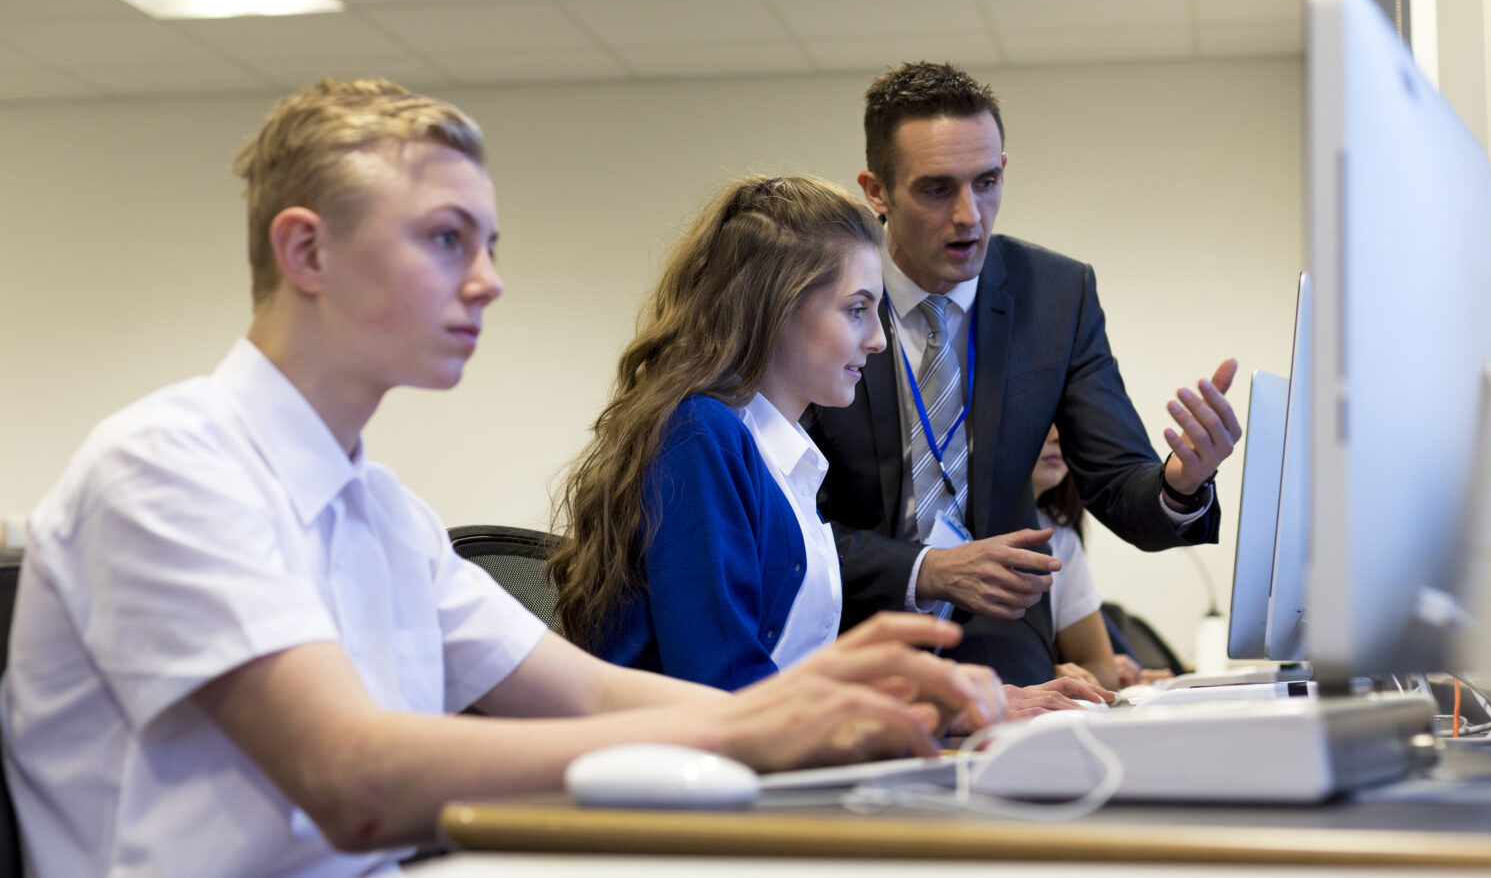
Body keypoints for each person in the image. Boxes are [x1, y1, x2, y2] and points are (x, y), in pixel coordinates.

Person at [0, 80, 1003, 878]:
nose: (488, 279)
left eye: (490, 245)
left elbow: (589, 697)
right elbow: (351, 780)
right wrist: (762, 725)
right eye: (446, 239)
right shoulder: (168, 465)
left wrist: (828, 705)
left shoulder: (384, 511)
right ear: (305, 249)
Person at [809, 61, 1242, 698]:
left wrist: (1182, 484)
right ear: (876, 191)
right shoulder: (823, 293)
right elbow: (789, 527)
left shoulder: (1056, 294)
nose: (970, 215)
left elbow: (1120, 484)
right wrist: (927, 569)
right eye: (937, 190)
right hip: (851, 629)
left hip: (1001, 636)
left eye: (986, 182)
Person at [548, 176, 886, 689]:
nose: (879, 339)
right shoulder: (700, 434)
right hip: (687, 763)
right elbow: (722, 682)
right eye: (857, 309)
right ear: (777, 307)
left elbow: (776, 682)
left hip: (753, 756)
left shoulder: (774, 455)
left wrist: (941, 713)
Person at [1030, 426, 1119, 690]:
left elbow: (1104, 670)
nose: (1057, 436)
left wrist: (1057, 678)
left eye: (1063, 421)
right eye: (1044, 420)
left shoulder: (1061, 537)